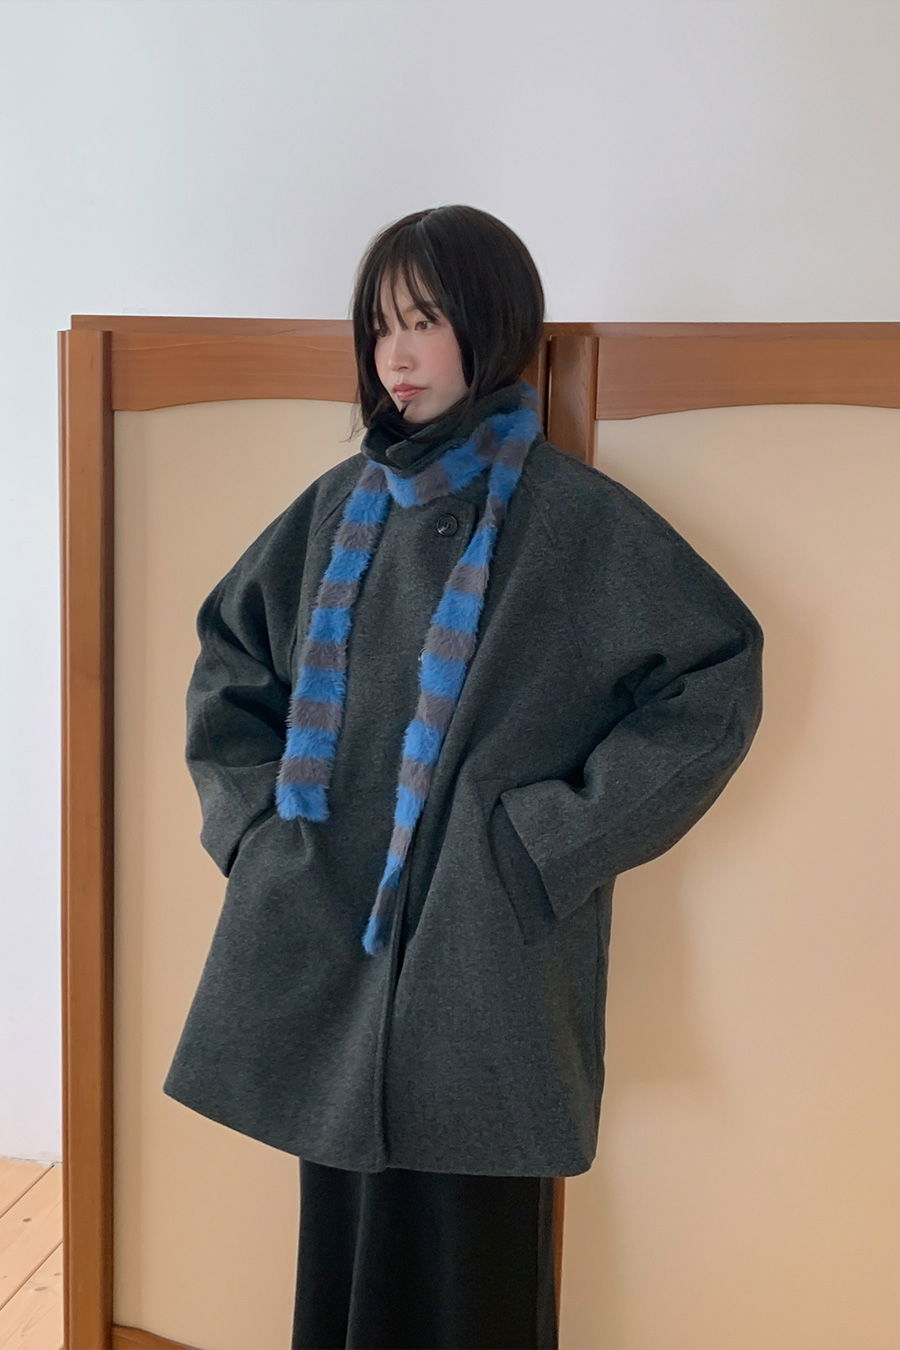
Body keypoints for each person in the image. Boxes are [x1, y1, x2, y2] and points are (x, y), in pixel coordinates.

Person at [163, 204, 764, 1349]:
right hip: (329, 931)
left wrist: (545, 841)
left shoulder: (570, 521)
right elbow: (230, 664)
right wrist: (256, 831)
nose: (396, 354)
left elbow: (713, 680)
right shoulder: (338, 508)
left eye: (426, 320)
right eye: (381, 325)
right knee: (343, 1239)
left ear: (492, 327)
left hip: (484, 952)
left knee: (474, 1258)